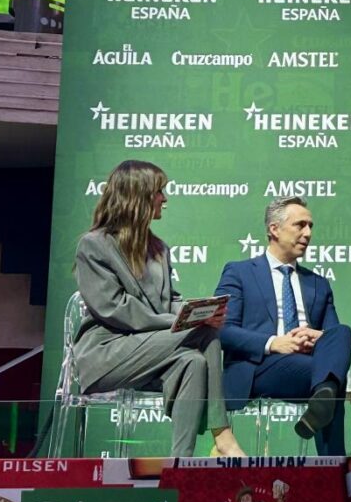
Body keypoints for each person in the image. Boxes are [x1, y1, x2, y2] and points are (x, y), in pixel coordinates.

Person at [73, 160, 244, 458]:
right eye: (159, 192)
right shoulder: (94, 245)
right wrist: (181, 322)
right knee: (205, 335)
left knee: (193, 362)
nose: (165, 198)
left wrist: (198, 311)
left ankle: (181, 466)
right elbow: (115, 308)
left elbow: (169, 301)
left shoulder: (159, 249)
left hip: (150, 352)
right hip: (106, 354)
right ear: (137, 196)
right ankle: (223, 435)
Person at [216, 196, 351, 456]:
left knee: (342, 335)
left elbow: (333, 338)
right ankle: (335, 467)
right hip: (260, 366)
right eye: (300, 225)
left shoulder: (318, 283)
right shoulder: (239, 272)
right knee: (332, 381)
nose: (308, 233)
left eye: (310, 226)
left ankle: (322, 403)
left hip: (307, 365)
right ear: (274, 229)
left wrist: (316, 336)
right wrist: (273, 343)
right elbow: (222, 329)